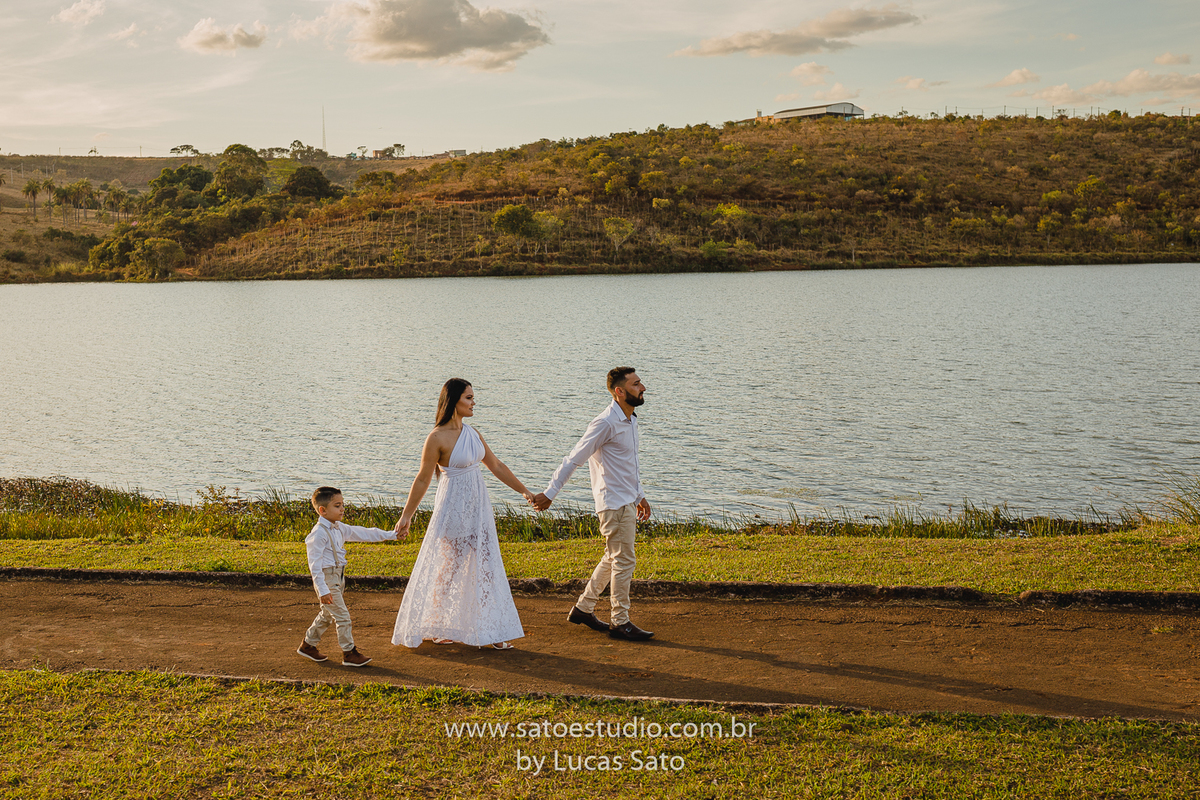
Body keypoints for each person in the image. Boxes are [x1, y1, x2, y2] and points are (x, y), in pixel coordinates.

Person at [391, 378, 531, 650]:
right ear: (453, 401)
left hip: (478, 508)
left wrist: (524, 492)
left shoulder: (473, 433)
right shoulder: (436, 438)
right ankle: (435, 624)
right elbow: (423, 479)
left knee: (486, 567)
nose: (474, 402)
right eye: (469, 397)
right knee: (449, 568)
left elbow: (496, 465)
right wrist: (407, 515)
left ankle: (491, 631)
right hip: (453, 507)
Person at [531, 367, 654, 641]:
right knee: (624, 560)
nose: (643, 388)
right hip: (613, 503)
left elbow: (629, 466)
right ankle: (620, 621)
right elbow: (574, 458)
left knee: (613, 557)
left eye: (641, 383)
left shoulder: (630, 420)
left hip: (626, 500)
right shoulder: (605, 423)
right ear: (619, 391)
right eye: (636, 384)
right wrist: (550, 493)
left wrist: (639, 495)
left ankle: (583, 608)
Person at [298, 486, 397, 667]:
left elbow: (365, 532)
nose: (342, 509)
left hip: (338, 576)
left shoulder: (339, 528)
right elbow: (315, 566)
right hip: (327, 579)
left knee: (327, 615)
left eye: (342, 504)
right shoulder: (318, 534)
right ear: (323, 510)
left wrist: (392, 535)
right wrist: (322, 590)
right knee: (343, 617)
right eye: (337, 506)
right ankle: (349, 653)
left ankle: (307, 645)